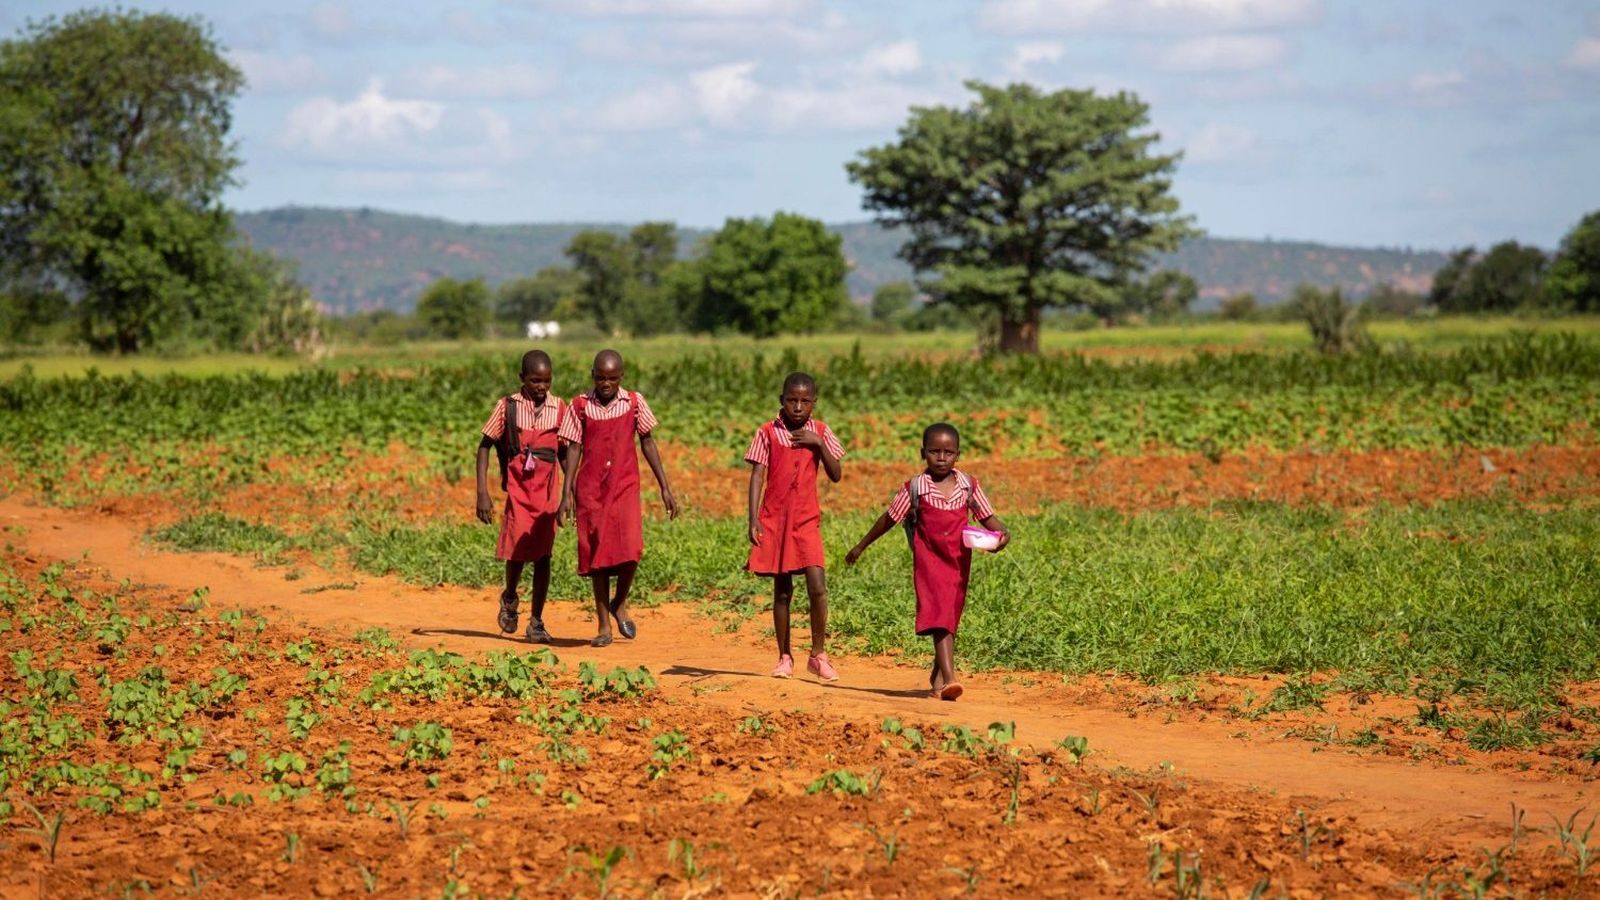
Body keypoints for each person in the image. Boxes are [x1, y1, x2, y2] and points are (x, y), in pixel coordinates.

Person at [845, 423, 1009, 700]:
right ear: (923, 453)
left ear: (958, 454)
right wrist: (861, 546)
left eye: (948, 452)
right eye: (934, 451)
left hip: (958, 562)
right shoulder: (916, 487)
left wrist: (1002, 536)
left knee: (950, 617)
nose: (941, 458)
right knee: (941, 617)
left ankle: (935, 682)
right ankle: (950, 679)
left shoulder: (968, 485)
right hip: (929, 561)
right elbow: (888, 519)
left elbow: (989, 519)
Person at [558, 349, 678, 647]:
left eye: (612, 378)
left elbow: (647, 442)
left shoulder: (634, 402)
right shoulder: (580, 406)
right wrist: (566, 492)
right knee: (597, 557)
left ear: (621, 376)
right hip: (591, 490)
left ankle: (619, 602)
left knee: (632, 549)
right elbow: (573, 449)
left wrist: (665, 486)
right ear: (593, 376)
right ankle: (602, 626)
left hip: (625, 485)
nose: (606, 384)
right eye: (601, 378)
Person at [745, 372, 846, 681]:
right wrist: (753, 518)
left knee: (817, 585)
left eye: (805, 401)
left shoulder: (821, 431)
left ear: (814, 403)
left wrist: (818, 445)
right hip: (775, 519)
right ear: (782, 401)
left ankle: (818, 654)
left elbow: (836, 473)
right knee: (782, 592)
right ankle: (785, 656)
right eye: (792, 400)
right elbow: (757, 476)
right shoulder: (767, 432)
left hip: (806, 519)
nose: (798, 407)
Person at [475, 349, 567, 643]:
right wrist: (482, 493)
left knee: (544, 556)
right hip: (518, 490)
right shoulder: (508, 407)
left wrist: (570, 492)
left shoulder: (559, 408)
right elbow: (484, 446)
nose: (541, 387)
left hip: (547, 493)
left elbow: (566, 454)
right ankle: (510, 596)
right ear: (522, 379)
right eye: (535, 381)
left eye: (547, 381)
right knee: (516, 552)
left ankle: (537, 621)